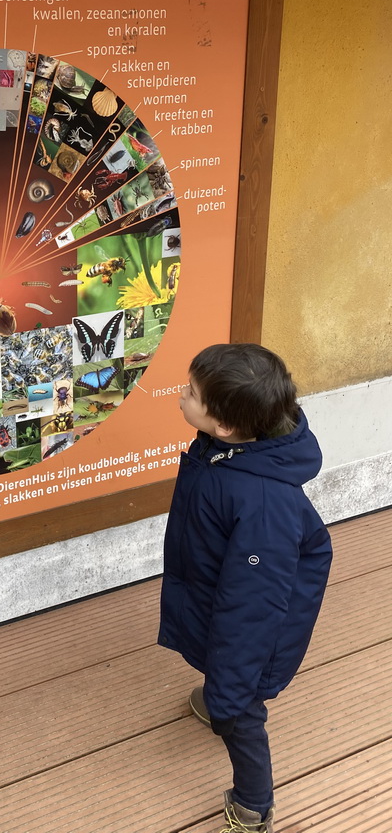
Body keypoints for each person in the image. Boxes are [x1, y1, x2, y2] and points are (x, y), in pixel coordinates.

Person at [158, 344, 332, 833]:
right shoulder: (231, 447)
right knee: (224, 672)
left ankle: (254, 805)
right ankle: (221, 691)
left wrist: (230, 685)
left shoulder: (261, 504)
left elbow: (254, 607)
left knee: (240, 713)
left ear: (225, 425)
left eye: (190, 394)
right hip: (222, 589)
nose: (180, 396)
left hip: (255, 622)